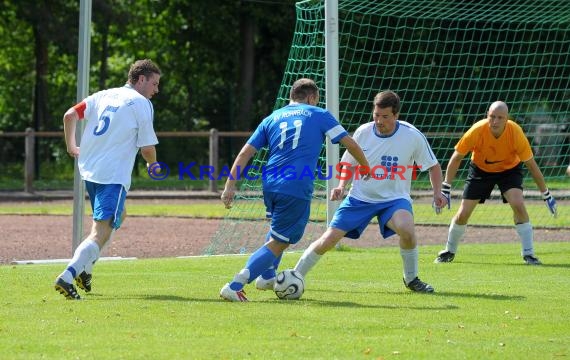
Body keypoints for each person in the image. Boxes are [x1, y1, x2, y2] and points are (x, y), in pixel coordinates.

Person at [219, 78, 371, 302]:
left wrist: (229, 186)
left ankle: (268, 276)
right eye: (316, 100)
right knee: (282, 240)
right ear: (311, 98)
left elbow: (244, 154)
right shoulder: (318, 114)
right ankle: (236, 285)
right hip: (295, 184)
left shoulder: (272, 117)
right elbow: (351, 143)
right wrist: (365, 166)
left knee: (277, 230)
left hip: (270, 183)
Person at [294, 90, 446, 293]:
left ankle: (411, 279)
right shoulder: (363, 132)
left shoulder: (412, 135)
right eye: (376, 115)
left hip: (394, 200)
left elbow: (433, 166)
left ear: (396, 115)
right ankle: (294, 276)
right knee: (328, 239)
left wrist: (438, 192)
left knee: (407, 230)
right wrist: (341, 186)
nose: (379, 121)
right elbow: (348, 164)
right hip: (359, 198)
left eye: (385, 116)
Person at [54, 59, 161, 300]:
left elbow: (70, 114)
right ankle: (68, 275)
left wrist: (72, 146)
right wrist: (153, 164)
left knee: (119, 215)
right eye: (154, 83)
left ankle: (86, 270)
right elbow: (147, 148)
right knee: (100, 231)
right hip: (113, 175)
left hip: (90, 171)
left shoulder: (103, 95)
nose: (156, 90)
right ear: (141, 79)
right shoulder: (141, 103)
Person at [434, 101, 558, 265]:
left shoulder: (516, 132)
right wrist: (446, 189)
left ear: (507, 119)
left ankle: (529, 254)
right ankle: (448, 251)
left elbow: (532, 166)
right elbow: (456, 158)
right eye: (492, 117)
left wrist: (546, 194)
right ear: (487, 116)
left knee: (518, 203)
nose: (495, 121)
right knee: (463, 213)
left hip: (509, 170)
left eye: (500, 117)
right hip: (480, 170)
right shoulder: (477, 130)